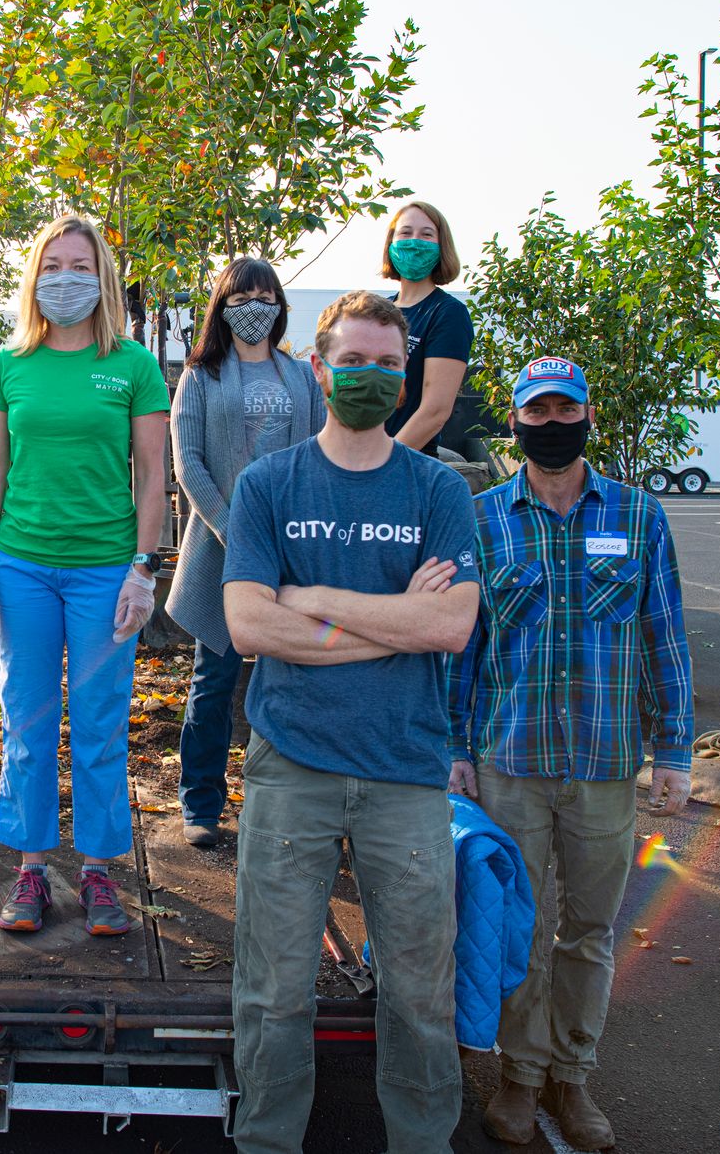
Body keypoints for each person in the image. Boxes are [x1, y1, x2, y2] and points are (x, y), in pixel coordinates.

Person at [222, 289, 482, 1154]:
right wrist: (387, 623)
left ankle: (421, 1143)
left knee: (418, 990)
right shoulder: (269, 483)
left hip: (405, 771)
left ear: (404, 374)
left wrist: (321, 603)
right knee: (273, 987)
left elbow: (448, 626)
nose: (368, 375)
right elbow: (251, 627)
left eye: (385, 362)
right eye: (353, 360)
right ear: (318, 367)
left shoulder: (439, 489)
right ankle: (266, 1142)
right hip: (290, 762)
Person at [445, 355, 692, 1151]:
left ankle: (572, 1074)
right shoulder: (483, 518)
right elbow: (461, 648)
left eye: (565, 410)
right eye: (536, 412)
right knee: (517, 924)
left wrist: (677, 751)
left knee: (588, 930)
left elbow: (666, 638)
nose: (551, 424)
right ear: (514, 423)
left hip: (606, 764)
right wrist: (454, 746)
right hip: (509, 760)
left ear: (587, 417)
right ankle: (519, 1075)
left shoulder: (639, 513)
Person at [0, 213, 169, 936]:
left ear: (103, 277)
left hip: (105, 572)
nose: (66, 278)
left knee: (100, 723)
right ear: (34, 278)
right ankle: (29, 870)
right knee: (25, 721)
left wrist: (145, 569)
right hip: (21, 567)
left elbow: (152, 474)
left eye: (81, 266)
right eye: (52, 266)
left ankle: (98, 872)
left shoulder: (134, 365)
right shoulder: (8, 365)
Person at [167, 257, 324, 848]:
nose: (253, 307)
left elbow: (316, 456)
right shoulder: (201, 377)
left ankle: (284, 806)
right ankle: (201, 803)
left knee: (290, 677)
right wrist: (239, 533)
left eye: (264, 296)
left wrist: (291, 536)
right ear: (222, 306)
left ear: (280, 305)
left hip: (292, 549)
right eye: (240, 297)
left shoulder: (301, 375)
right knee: (215, 676)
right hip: (222, 546)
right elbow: (189, 464)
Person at [380, 200, 473, 459]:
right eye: (405, 233)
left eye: (426, 234)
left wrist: (382, 462)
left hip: (409, 462)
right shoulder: (377, 311)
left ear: (441, 246)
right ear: (391, 243)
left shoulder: (447, 313)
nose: (414, 241)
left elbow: (435, 411)